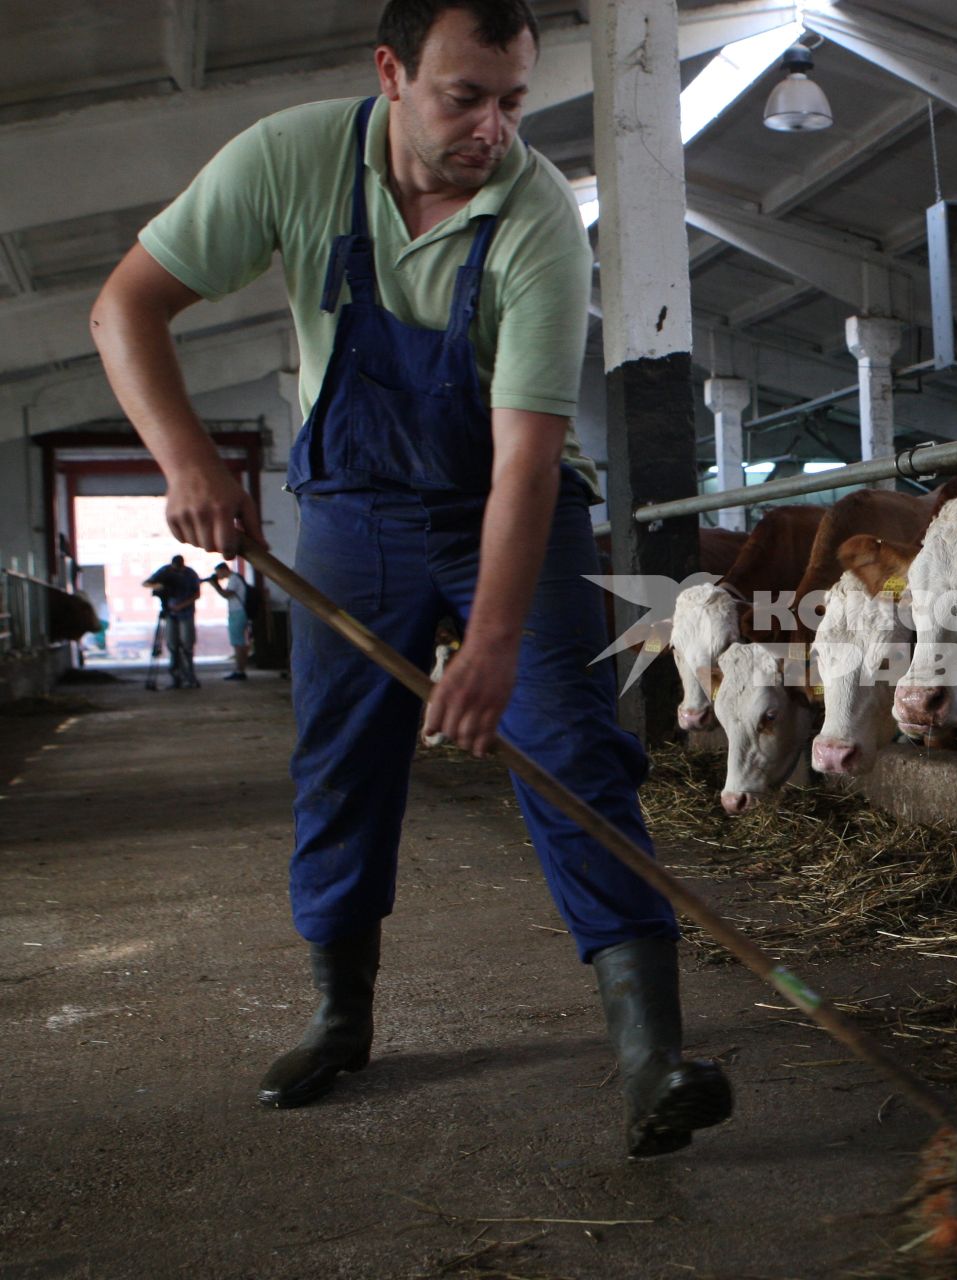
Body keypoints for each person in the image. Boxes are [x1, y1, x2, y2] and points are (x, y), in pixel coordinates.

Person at [88, 0, 730, 1158]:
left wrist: (488, 642)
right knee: (342, 757)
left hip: (504, 506)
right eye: (464, 96)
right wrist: (187, 460)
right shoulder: (291, 159)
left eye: (515, 99)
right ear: (391, 72)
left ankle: (648, 1052)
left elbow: (528, 459)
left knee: (576, 750)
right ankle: (340, 1014)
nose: (493, 126)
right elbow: (124, 304)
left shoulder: (535, 217)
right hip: (350, 510)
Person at [140, 554, 202, 689]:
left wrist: (181, 606)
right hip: (169, 614)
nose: (176, 571)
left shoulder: (191, 574)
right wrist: (158, 586)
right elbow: (145, 583)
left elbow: (197, 594)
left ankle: (190, 678)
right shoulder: (165, 571)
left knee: (187, 645)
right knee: (172, 645)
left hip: (186, 613)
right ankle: (176, 678)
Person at [209, 563, 253, 680]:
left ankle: (240, 671)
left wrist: (215, 585)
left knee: (238, 643)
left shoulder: (234, 579)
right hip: (239, 612)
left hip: (237, 613)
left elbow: (226, 594)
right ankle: (240, 669)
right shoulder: (236, 578)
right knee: (240, 643)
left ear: (224, 570)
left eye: (218, 572)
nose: (218, 575)